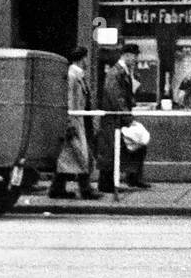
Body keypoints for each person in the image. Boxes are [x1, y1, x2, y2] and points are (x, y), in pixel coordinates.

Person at [97, 43, 150, 191]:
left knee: (134, 145)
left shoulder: (126, 72)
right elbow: (117, 97)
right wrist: (128, 118)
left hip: (120, 118)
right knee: (112, 151)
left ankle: (133, 177)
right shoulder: (115, 73)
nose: (136, 60)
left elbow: (127, 96)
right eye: (134, 56)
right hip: (114, 119)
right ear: (126, 55)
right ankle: (107, 184)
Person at [49, 47, 99, 200]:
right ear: (82, 58)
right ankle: (85, 189)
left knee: (70, 156)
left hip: (79, 120)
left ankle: (57, 188)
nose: (86, 61)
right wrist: (69, 122)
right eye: (85, 58)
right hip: (74, 120)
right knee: (80, 155)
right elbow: (69, 100)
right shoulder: (72, 75)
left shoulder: (76, 75)